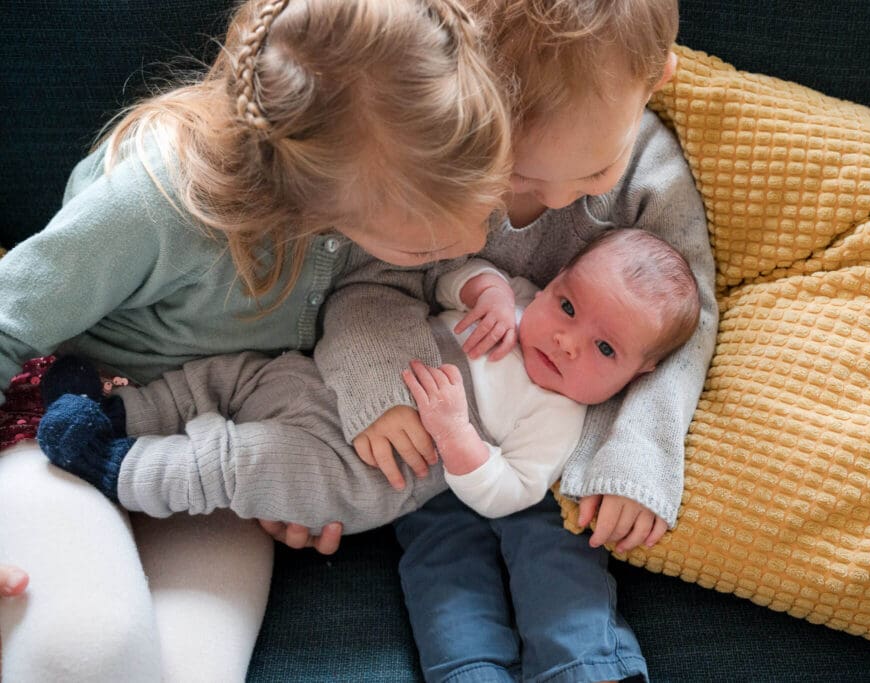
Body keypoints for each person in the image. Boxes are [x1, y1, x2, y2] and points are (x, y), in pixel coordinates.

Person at [0, 0, 511, 680]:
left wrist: (306, 482)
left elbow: (354, 326)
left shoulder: (360, 225)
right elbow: (9, 315)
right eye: (433, 234)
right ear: (317, 187)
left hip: (202, 457)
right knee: (93, 648)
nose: (475, 244)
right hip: (63, 420)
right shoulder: (158, 198)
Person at [319, 1, 720, 680]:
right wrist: (379, 390)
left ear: (655, 81)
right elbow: (367, 279)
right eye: (522, 175)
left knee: (564, 581)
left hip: (556, 453)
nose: (560, 199)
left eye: (594, 175)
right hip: (437, 449)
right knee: (445, 577)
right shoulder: (444, 147)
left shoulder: (651, 170)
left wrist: (635, 454)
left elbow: (686, 326)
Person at [37, 229, 699, 536]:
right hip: (332, 377)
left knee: (241, 462)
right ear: (553, 283)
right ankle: (115, 407)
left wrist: (456, 432)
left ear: (635, 373)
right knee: (230, 377)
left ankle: (117, 465)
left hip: (361, 472)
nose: (564, 338)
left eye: (604, 347)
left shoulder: (556, 415)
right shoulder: (520, 304)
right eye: (568, 304)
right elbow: (441, 275)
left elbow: (508, 491)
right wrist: (487, 286)